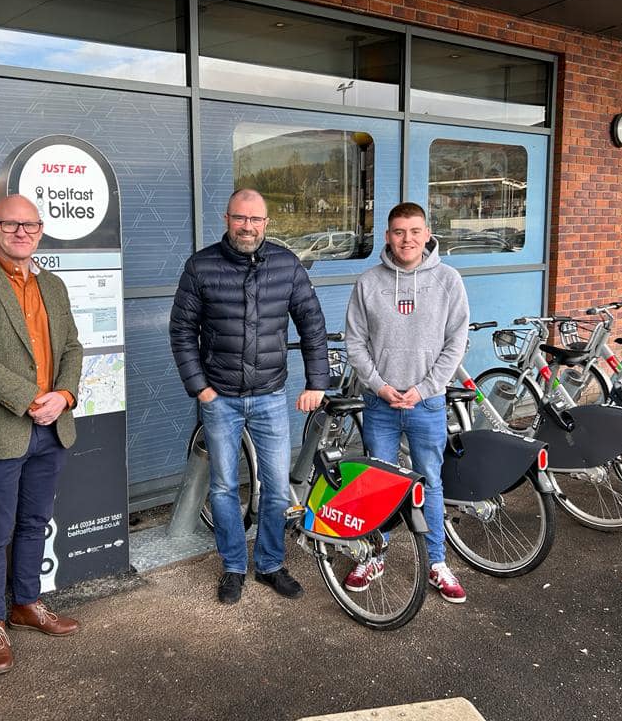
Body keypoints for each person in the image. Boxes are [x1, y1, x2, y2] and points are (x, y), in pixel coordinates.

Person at [169, 188, 330, 605]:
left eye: (255, 220)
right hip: (219, 397)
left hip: (271, 396)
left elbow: (312, 324)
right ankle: (234, 567)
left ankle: (272, 564)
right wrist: (200, 388)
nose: (248, 227)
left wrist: (316, 383)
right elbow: (182, 331)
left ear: (266, 223)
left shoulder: (286, 264)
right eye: (241, 218)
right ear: (227, 219)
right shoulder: (201, 266)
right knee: (223, 487)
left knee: (276, 488)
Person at [0, 194, 84, 675]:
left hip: (53, 427)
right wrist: (31, 397)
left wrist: (64, 394)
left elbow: (72, 345)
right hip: (5, 428)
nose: (20, 233)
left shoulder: (53, 284)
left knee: (33, 523)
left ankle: (26, 603)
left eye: (29, 225)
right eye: (10, 225)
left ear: (40, 230)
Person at [344, 202, 470, 603]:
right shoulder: (368, 282)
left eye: (414, 231)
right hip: (380, 404)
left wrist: (428, 386)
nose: (407, 239)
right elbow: (354, 342)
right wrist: (379, 386)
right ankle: (374, 554)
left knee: (430, 482)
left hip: (427, 403)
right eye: (399, 232)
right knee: (376, 483)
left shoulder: (448, 280)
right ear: (387, 236)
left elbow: (456, 342)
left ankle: (436, 563)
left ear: (427, 233)